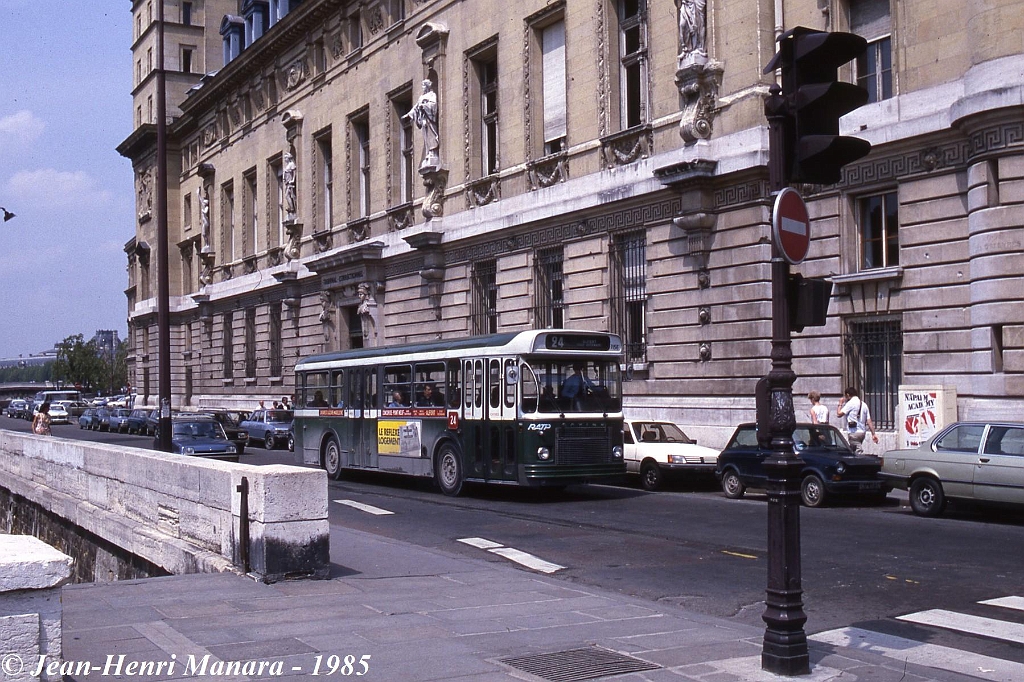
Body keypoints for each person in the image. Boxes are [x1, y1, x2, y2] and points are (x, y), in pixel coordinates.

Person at [404, 79, 440, 169]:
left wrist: (424, 106)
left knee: (431, 135)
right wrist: (409, 114)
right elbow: (415, 108)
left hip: (429, 120)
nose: (422, 88)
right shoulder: (421, 97)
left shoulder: (432, 95)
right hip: (423, 119)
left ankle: (432, 153)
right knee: (426, 137)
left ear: (427, 86)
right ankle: (428, 153)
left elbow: (433, 105)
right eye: (422, 86)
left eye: (424, 86)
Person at [838, 387, 878, 454]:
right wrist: (873, 434)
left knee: (857, 450)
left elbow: (839, 414)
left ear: (848, 395)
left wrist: (840, 404)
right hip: (862, 432)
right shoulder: (864, 404)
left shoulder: (850, 403)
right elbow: (869, 421)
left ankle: (860, 460)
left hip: (853, 432)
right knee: (852, 451)